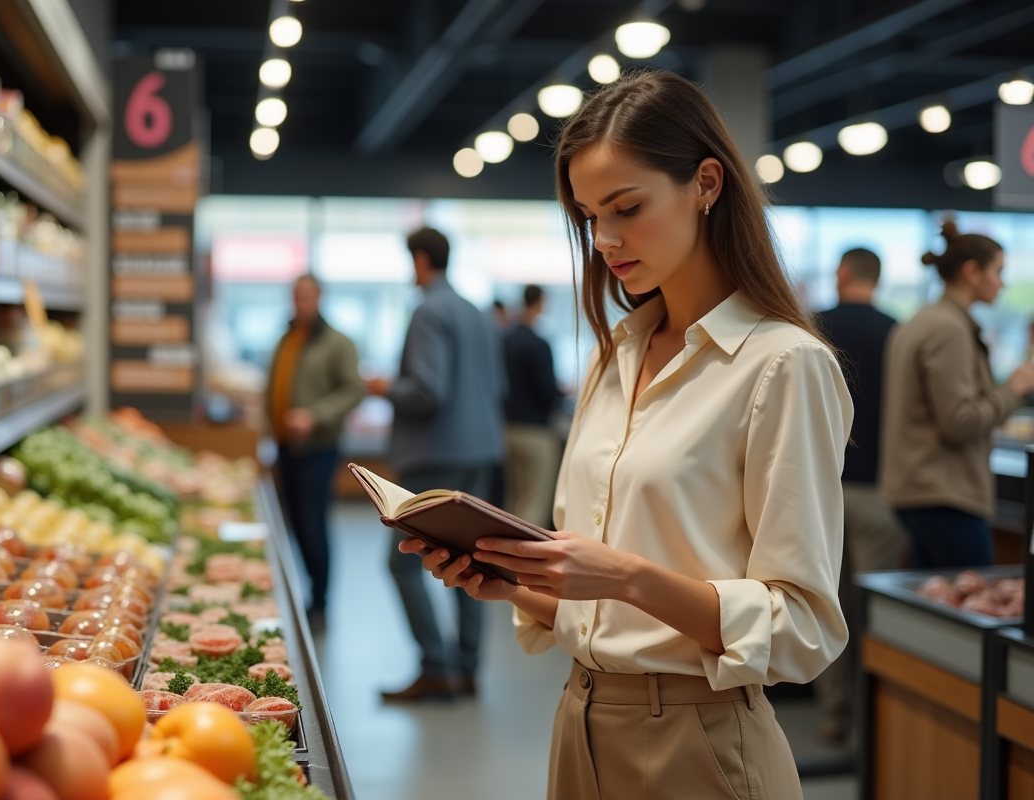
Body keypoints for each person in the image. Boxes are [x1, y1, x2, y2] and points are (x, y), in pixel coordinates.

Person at [397, 70, 851, 799]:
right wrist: (512, 585)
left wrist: (624, 574)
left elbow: (801, 626)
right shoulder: (618, 353)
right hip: (579, 723)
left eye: (627, 208)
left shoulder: (782, 366)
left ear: (706, 183)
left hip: (702, 744)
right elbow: (602, 612)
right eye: (586, 217)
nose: (604, 239)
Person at [366, 227, 506, 701]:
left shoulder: (428, 310)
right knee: (477, 560)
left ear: (421, 260)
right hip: (480, 450)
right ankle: (466, 668)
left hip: (435, 455)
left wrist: (384, 388)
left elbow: (427, 390)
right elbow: (495, 387)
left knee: (401, 563)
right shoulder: (477, 313)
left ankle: (436, 667)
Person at [881, 221, 1034, 568]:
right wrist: (1014, 389)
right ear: (971, 272)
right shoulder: (948, 328)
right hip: (944, 494)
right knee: (972, 607)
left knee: (932, 609)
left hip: (923, 490)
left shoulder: (925, 320)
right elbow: (959, 421)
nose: (1003, 282)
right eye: (998, 271)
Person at [812, 248, 908, 746]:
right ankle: (877, 724)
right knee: (874, 612)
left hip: (817, 493)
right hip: (878, 491)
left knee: (828, 607)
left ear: (841, 273)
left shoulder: (809, 327)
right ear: (878, 278)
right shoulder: (899, 332)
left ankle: (834, 715)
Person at [266, 274, 364, 632]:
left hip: (318, 449)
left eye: (306, 297)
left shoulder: (338, 343)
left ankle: (319, 604)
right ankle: (298, 597)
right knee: (292, 525)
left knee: (313, 525)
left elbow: (354, 391)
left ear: (320, 298)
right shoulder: (287, 338)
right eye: (295, 296)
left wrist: (314, 416)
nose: (300, 303)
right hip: (285, 448)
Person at [502, 285, 564, 529]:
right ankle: (523, 563)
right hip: (535, 431)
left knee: (513, 500)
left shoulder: (504, 339)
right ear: (540, 303)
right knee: (535, 501)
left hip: (506, 428)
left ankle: (502, 561)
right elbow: (549, 392)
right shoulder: (539, 344)